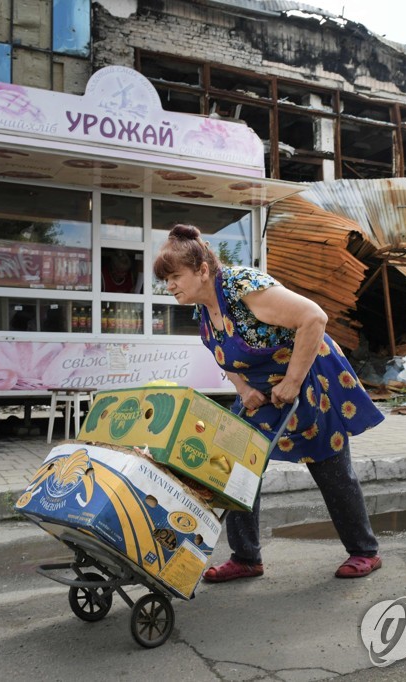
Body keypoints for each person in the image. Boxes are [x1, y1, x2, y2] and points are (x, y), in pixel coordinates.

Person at [153, 224, 385, 581]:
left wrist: (293, 380)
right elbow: (224, 356)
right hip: (261, 391)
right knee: (234, 468)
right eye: (165, 279)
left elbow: (314, 318)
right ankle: (246, 558)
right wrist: (244, 389)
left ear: (202, 271)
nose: (168, 286)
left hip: (309, 380)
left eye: (174, 277)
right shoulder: (202, 308)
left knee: (330, 469)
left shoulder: (243, 287)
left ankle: (364, 551)